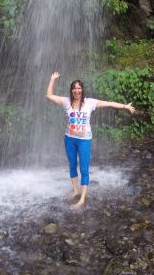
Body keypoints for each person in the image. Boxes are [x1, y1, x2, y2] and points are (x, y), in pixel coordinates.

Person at [46, 71, 136, 209]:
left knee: (84, 168)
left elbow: (109, 104)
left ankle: (82, 198)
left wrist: (125, 106)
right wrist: (52, 80)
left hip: (84, 141)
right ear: (72, 90)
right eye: (74, 88)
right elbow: (49, 95)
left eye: (79, 88)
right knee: (71, 165)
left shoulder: (90, 103)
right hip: (69, 139)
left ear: (82, 90)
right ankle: (75, 190)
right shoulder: (66, 102)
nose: (77, 90)